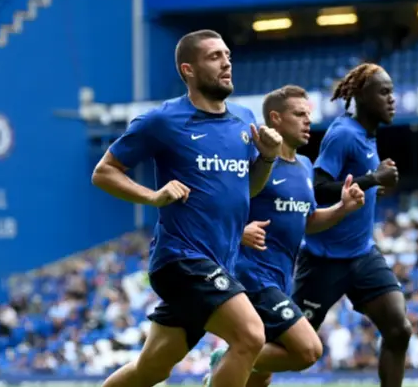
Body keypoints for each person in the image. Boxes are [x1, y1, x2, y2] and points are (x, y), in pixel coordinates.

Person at [91, 29, 283, 387]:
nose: (226, 62)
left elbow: (249, 186)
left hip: (218, 262)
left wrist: (268, 158)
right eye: (214, 56)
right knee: (251, 336)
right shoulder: (163, 121)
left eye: (227, 54)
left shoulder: (244, 119)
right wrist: (152, 196)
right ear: (188, 69)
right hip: (182, 261)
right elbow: (104, 172)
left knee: (152, 369)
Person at [203, 85, 366, 387]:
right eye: (299, 114)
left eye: (309, 114)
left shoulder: (305, 166)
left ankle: (232, 360)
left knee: (260, 376)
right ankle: (225, 356)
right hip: (250, 277)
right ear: (275, 118)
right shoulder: (255, 162)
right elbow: (214, 206)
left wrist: (343, 208)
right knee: (307, 350)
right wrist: (239, 232)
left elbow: (309, 222)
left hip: (280, 279)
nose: (308, 120)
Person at [293, 63, 412, 387]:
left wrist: (372, 180)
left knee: (399, 330)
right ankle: (230, 368)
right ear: (361, 96)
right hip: (323, 261)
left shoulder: (367, 135)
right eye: (384, 92)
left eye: (392, 91)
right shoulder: (343, 134)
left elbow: (354, 184)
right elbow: (317, 188)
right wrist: (374, 178)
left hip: (362, 255)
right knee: (289, 348)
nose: (392, 99)